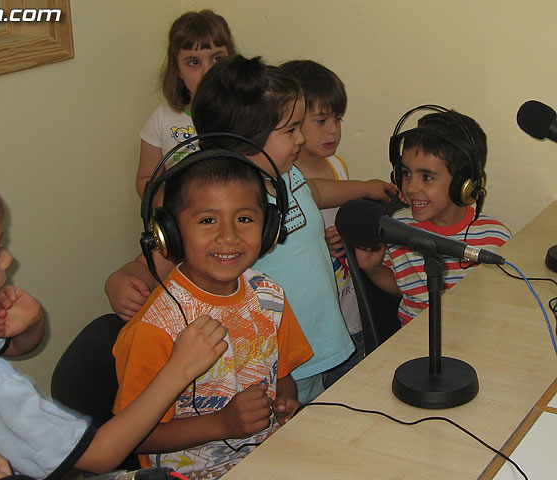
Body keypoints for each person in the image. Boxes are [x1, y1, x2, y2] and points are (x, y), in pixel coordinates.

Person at [106, 55, 398, 403]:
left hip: (321, 344)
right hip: (276, 366)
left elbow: (314, 192)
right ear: (248, 137)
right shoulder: (229, 208)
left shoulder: (286, 173)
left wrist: (365, 187)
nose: (300, 139)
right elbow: (164, 255)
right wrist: (122, 278)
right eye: (290, 130)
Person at [0, 162, 228, 480]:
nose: (8, 259)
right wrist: (179, 369)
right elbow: (99, 456)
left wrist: (32, 324)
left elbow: (15, 345)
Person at [113, 156, 313, 479]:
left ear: (269, 228)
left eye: (245, 219)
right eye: (208, 220)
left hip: (266, 458)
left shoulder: (269, 296)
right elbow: (134, 437)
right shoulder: (156, 327)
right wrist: (221, 424)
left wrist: (284, 403)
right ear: (169, 233)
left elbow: (283, 376)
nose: (229, 236)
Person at [355, 108, 511, 325]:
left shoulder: (495, 238)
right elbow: (403, 288)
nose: (411, 187)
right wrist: (373, 269)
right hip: (414, 340)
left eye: (427, 177)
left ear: (465, 185)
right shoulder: (397, 228)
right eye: (406, 173)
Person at [279, 59, 364, 385]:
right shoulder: (286, 179)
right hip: (312, 322)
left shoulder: (338, 166)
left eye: (337, 119)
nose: (333, 130)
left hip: (349, 308)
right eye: (321, 120)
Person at [135, 9, 237, 197]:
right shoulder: (162, 118)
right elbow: (146, 179)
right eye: (193, 62)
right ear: (178, 71)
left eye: (217, 59)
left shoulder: (247, 112)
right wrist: (168, 208)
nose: (207, 72)